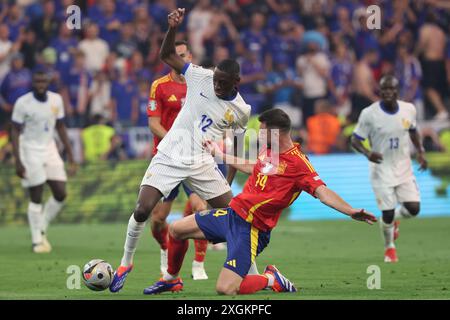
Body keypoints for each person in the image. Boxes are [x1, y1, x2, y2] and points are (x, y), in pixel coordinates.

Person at [143, 108, 377, 295]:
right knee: (176, 229)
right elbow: (253, 167)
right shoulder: (269, 151)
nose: (259, 134)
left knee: (226, 289)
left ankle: (270, 278)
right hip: (233, 216)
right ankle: (172, 280)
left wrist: (350, 210)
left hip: (252, 230)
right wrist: (221, 155)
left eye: (262, 130)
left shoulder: (298, 164)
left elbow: (322, 191)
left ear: (277, 132)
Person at [109, 8, 252, 293]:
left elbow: (235, 145)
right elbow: (167, 56)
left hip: (201, 161)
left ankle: (250, 272)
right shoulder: (199, 76)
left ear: (236, 83)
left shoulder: (242, 110)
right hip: (170, 154)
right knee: (143, 209)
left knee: (237, 216)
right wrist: (171, 28)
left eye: (223, 84)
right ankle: (126, 262)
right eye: (216, 81)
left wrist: (228, 181)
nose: (217, 86)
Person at [146, 40, 210, 280]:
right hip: (168, 157)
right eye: (175, 56)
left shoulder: (201, 84)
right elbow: (153, 123)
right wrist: (176, 139)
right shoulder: (159, 86)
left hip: (193, 156)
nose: (179, 61)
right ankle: (165, 249)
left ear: (190, 57)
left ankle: (198, 264)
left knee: (201, 208)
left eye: (183, 56)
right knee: (158, 218)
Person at [351, 75, 427, 263]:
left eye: (391, 89)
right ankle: (389, 249)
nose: (388, 93)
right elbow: (355, 140)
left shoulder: (409, 109)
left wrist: (420, 151)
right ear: (380, 91)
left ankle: (395, 223)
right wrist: (368, 154)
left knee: (414, 208)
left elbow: (413, 130)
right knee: (387, 213)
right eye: (384, 89)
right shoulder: (369, 114)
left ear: (397, 91)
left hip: (403, 166)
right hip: (380, 169)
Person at [10, 69, 76, 253]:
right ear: (33, 83)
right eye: (37, 81)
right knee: (36, 195)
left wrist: (70, 156)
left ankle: (42, 224)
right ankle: (37, 240)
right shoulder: (23, 103)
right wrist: (17, 161)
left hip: (49, 148)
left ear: (48, 83)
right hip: (29, 149)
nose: (40, 85)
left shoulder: (56, 100)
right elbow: (14, 131)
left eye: (43, 82)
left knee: (61, 193)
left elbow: (61, 127)